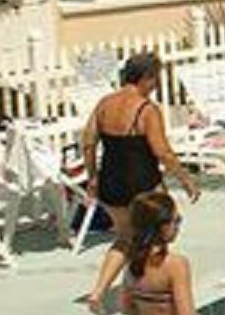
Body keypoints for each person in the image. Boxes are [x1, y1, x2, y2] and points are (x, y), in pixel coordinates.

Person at [81, 50, 201, 279]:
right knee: (165, 228)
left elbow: (88, 142)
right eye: (155, 79)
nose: (156, 86)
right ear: (146, 77)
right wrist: (186, 179)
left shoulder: (104, 104)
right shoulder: (147, 110)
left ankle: (98, 291)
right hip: (143, 184)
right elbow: (162, 152)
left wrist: (93, 177)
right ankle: (154, 283)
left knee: (125, 239)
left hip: (111, 183)